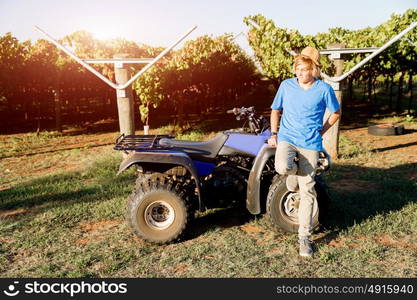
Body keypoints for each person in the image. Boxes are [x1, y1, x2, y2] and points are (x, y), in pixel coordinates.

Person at [267, 47, 341, 257]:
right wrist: (274, 133)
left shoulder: (323, 89)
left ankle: (304, 238)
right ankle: (292, 176)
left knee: (307, 191)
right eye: (297, 68)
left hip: (310, 143)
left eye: (304, 69)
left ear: (314, 70)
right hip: (287, 138)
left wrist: (322, 130)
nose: (300, 72)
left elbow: (336, 113)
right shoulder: (286, 85)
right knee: (282, 166)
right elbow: (275, 110)